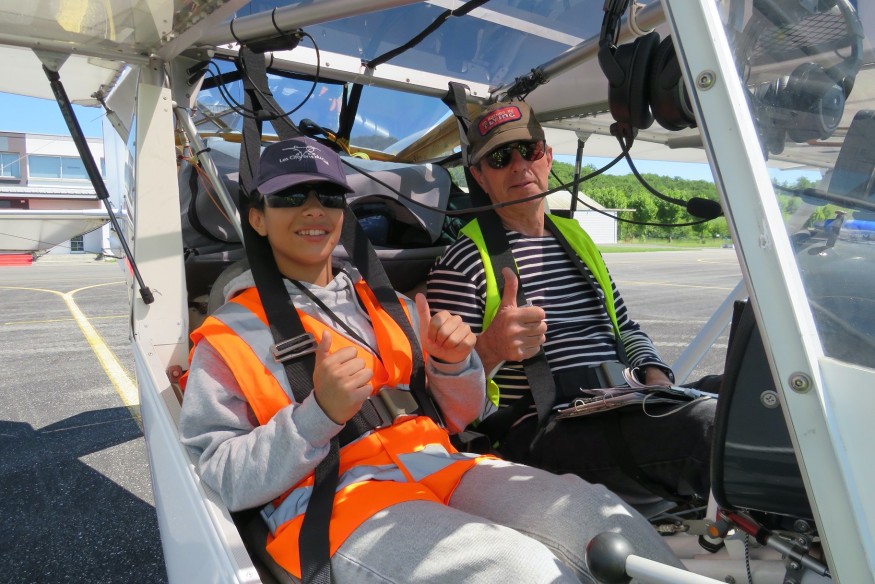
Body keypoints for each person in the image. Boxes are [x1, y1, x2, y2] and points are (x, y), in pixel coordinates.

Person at [178, 136, 686, 583]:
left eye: (328, 196)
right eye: (290, 196)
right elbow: (219, 477)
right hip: (335, 501)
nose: (313, 209)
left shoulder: (393, 306)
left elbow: (459, 416)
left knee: (598, 514)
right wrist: (318, 415)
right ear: (258, 218)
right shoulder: (227, 337)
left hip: (443, 466)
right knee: (516, 571)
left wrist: (452, 365)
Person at [426, 101, 717, 505]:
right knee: (709, 425)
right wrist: (490, 349)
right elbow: (443, 401)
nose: (519, 166)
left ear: (547, 157)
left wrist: (657, 378)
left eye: (528, 150)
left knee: (753, 397)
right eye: (500, 158)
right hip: (545, 427)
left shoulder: (575, 237)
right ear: (479, 176)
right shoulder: (462, 261)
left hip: (624, 401)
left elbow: (624, 327)